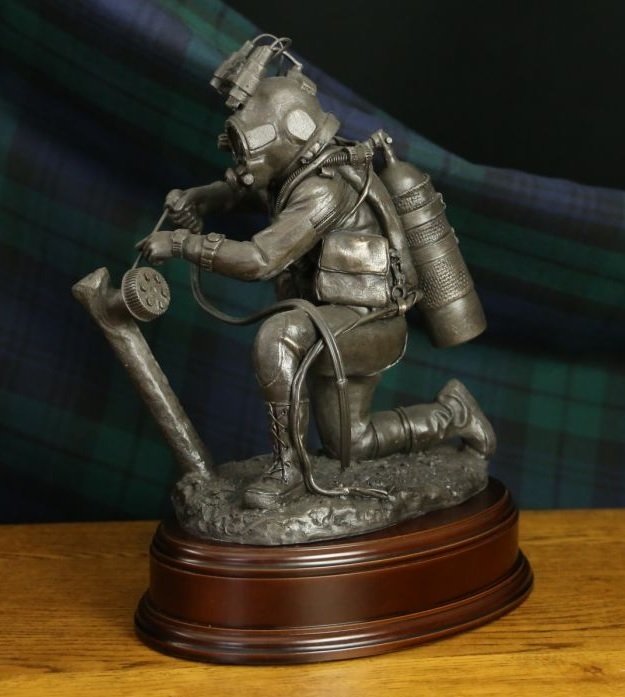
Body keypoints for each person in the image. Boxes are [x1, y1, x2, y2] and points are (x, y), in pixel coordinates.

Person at [138, 36, 495, 510]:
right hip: (336, 317)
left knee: (279, 336)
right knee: (353, 443)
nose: (242, 161)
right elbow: (245, 187)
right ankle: (454, 413)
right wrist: (201, 199)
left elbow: (260, 259)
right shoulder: (299, 169)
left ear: (290, 135)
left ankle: (288, 469)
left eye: (251, 146)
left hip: (369, 322)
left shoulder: (323, 191)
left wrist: (183, 244)